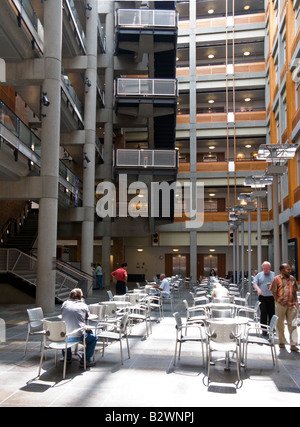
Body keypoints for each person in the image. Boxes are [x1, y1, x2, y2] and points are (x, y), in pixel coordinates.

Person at [61, 288, 97, 367]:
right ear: (80, 297)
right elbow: (87, 317)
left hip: (64, 336)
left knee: (66, 333)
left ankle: (67, 358)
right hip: (78, 335)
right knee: (94, 338)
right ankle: (85, 360)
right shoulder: (83, 305)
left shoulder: (64, 304)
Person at [270, 263, 299, 351]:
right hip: (281, 304)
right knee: (280, 324)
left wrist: (296, 301)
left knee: (293, 324)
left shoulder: (293, 279)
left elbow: (294, 291)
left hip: (291, 304)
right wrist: (277, 300)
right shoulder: (276, 279)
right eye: (288, 269)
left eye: (290, 269)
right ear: (282, 270)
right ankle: (281, 342)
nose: (290, 271)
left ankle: (293, 344)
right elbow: (273, 291)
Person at [252, 261, 275, 333]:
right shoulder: (259, 275)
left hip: (271, 297)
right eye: (264, 268)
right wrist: (258, 289)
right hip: (262, 297)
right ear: (262, 268)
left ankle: (271, 328)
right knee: (263, 313)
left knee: (272, 313)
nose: (266, 270)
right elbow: (254, 283)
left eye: (267, 268)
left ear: (270, 268)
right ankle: (264, 330)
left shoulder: (274, 275)